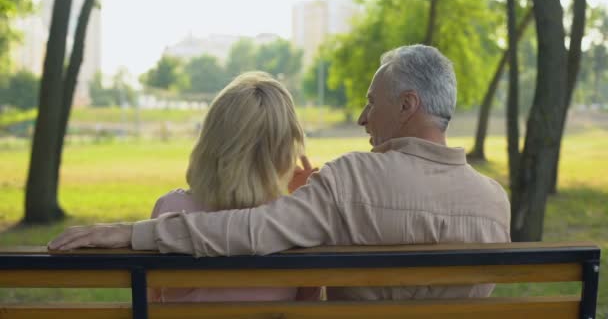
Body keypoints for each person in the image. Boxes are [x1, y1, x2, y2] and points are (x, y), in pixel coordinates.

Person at [49, 45, 511, 301]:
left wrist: (133, 233)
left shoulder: (351, 180)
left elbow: (252, 229)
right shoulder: (495, 202)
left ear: (408, 105)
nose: (362, 118)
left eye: (372, 102)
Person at [148, 71, 318, 302]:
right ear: (284, 149)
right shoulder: (296, 220)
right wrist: (306, 197)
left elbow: (154, 298)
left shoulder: (170, 208)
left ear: (210, 141)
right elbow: (307, 303)